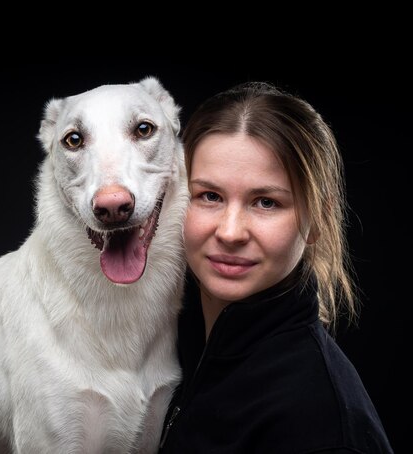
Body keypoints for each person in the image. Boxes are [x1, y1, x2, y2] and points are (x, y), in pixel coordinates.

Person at [158, 82, 393, 453]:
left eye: (266, 202)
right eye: (209, 196)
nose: (230, 232)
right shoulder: (171, 350)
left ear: (317, 220)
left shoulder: (319, 424)